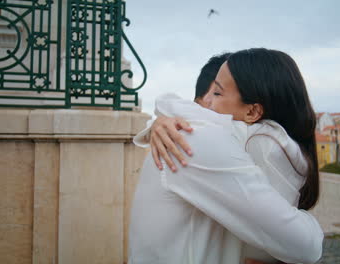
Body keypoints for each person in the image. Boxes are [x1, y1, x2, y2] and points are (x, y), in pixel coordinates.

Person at [128, 48, 323, 264]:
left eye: (217, 93)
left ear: (252, 112)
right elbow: (306, 247)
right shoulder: (196, 140)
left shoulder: (220, 139)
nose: (206, 103)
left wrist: (160, 119)